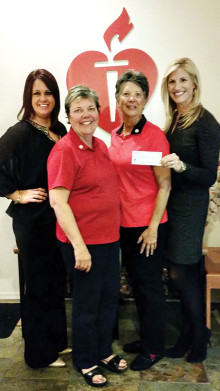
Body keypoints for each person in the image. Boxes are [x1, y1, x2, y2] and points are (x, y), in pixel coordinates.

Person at [47, 85, 127, 387]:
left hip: (109, 240)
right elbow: (58, 202)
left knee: (108, 301)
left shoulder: (100, 146)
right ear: (68, 116)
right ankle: (85, 359)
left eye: (90, 108)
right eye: (78, 109)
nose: (85, 115)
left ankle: (103, 351)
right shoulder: (64, 150)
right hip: (84, 244)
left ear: (99, 112)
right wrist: (80, 248)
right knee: (86, 305)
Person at [0, 69, 69, 369]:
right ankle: (39, 354)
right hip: (32, 223)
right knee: (38, 285)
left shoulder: (62, 130)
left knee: (55, 282)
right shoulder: (19, 133)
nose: (43, 99)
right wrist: (17, 194)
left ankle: (54, 342)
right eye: (37, 93)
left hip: (57, 220)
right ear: (29, 97)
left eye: (48, 92)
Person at [109, 70, 171, 371]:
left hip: (147, 226)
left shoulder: (155, 135)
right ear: (117, 98)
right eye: (126, 93)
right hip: (122, 224)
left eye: (137, 94)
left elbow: (165, 185)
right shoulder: (114, 134)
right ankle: (147, 338)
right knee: (135, 283)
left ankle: (154, 347)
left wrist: (152, 228)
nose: (131, 99)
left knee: (148, 287)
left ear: (145, 99)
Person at [161, 57, 220, 363]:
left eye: (183, 80)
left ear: (194, 83)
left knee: (182, 272)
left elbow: (209, 175)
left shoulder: (205, 122)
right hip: (171, 202)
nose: (177, 86)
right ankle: (190, 332)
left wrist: (182, 166)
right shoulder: (173, 118)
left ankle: (198, 335)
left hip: (190, 206)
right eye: (172, 81)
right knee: (179, 273)